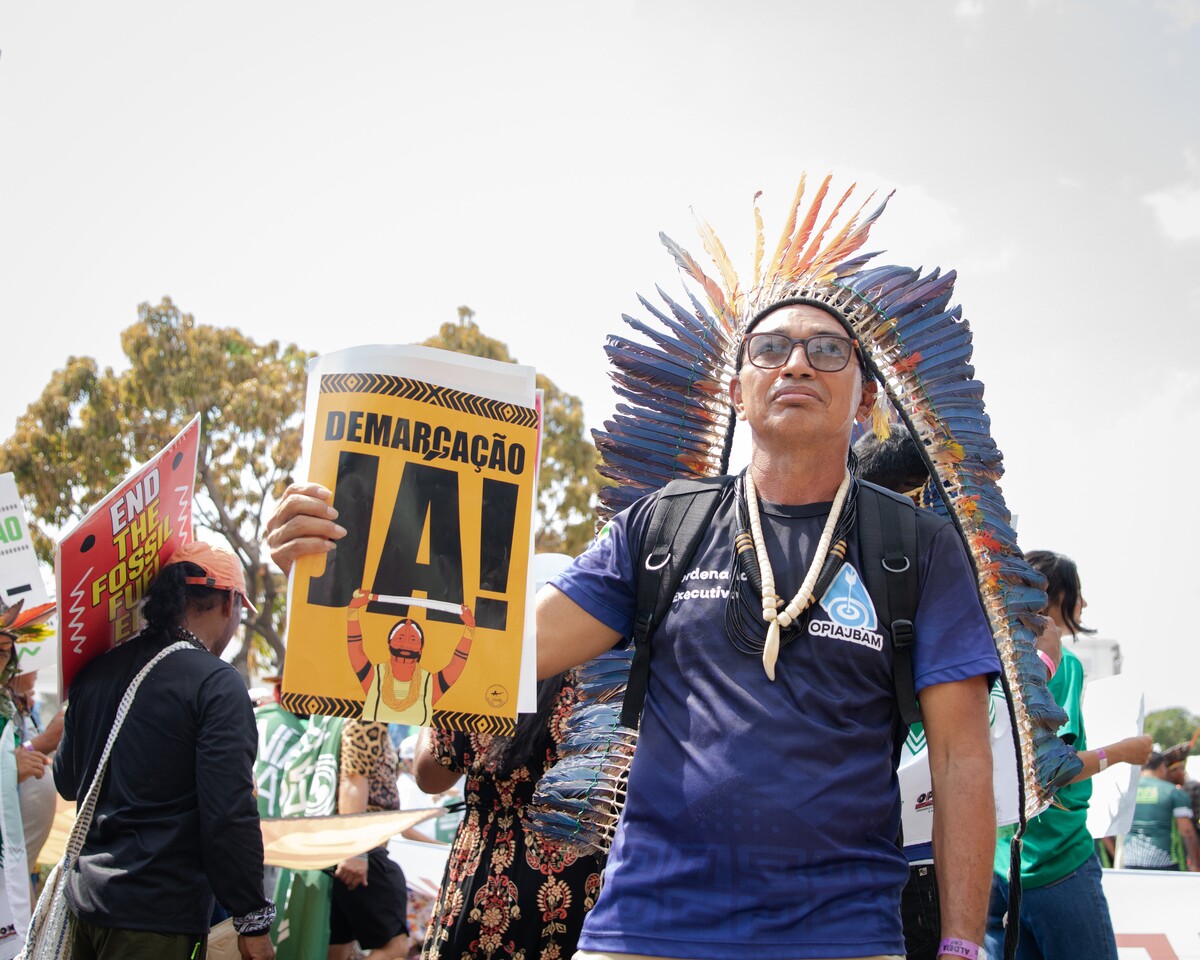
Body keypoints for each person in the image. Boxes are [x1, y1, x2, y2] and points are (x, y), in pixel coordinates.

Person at [53, 541, 275, 960]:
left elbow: (66, 781)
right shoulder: (217, 683)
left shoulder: (96, 671)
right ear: (229, 602)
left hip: (84, 908)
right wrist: (252, 919)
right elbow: (228, 813)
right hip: (156, 920)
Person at [984, 550, 1152, 960]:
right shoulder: (1061, 663)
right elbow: (1055, 770)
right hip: (1059, 862)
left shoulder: (990, 659)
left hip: (1003, 869)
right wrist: (1124, 752)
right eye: (1079, 592)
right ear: (1056, 596)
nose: (1085, 604)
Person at [413, 671, 606, 960]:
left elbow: (430, 777)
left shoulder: (481, 669)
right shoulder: (606, 665)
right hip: (570, 876)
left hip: (482, 868)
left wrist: (430, 693)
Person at [328, 718, 411, 960]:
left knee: (340, 948)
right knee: (395, 947)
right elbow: (353, 777)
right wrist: (356, 850)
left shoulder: (341, 717)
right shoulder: (366, 715)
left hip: (344, 842)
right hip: (362, 843)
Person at [346, 590, 477, 723]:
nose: (406, 644)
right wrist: (353, 611)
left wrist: (470, 629)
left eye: (413, 639)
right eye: (400, 637)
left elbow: (455, 668)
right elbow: (355, 651)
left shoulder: (428, 684)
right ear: (389, 644)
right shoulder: (375, 676)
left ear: (420, 649)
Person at [1123, 752, 1200, 871]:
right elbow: (1187, 831)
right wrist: (1195, 864)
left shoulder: (1127, 791)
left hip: (1130, 858)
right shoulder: (1173, 792)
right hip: (1164, 861)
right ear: (1161, 767)